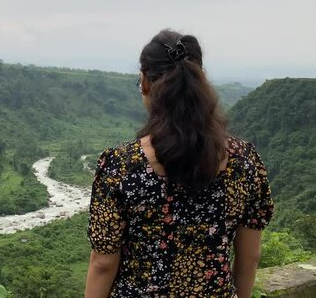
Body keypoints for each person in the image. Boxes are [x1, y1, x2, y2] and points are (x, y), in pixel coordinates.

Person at [84, 29, 274, 298]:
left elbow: (103, 264)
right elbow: (249, 256)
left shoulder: (121, 167)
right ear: (202, 79)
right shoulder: (245, 161)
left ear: (145, 83)